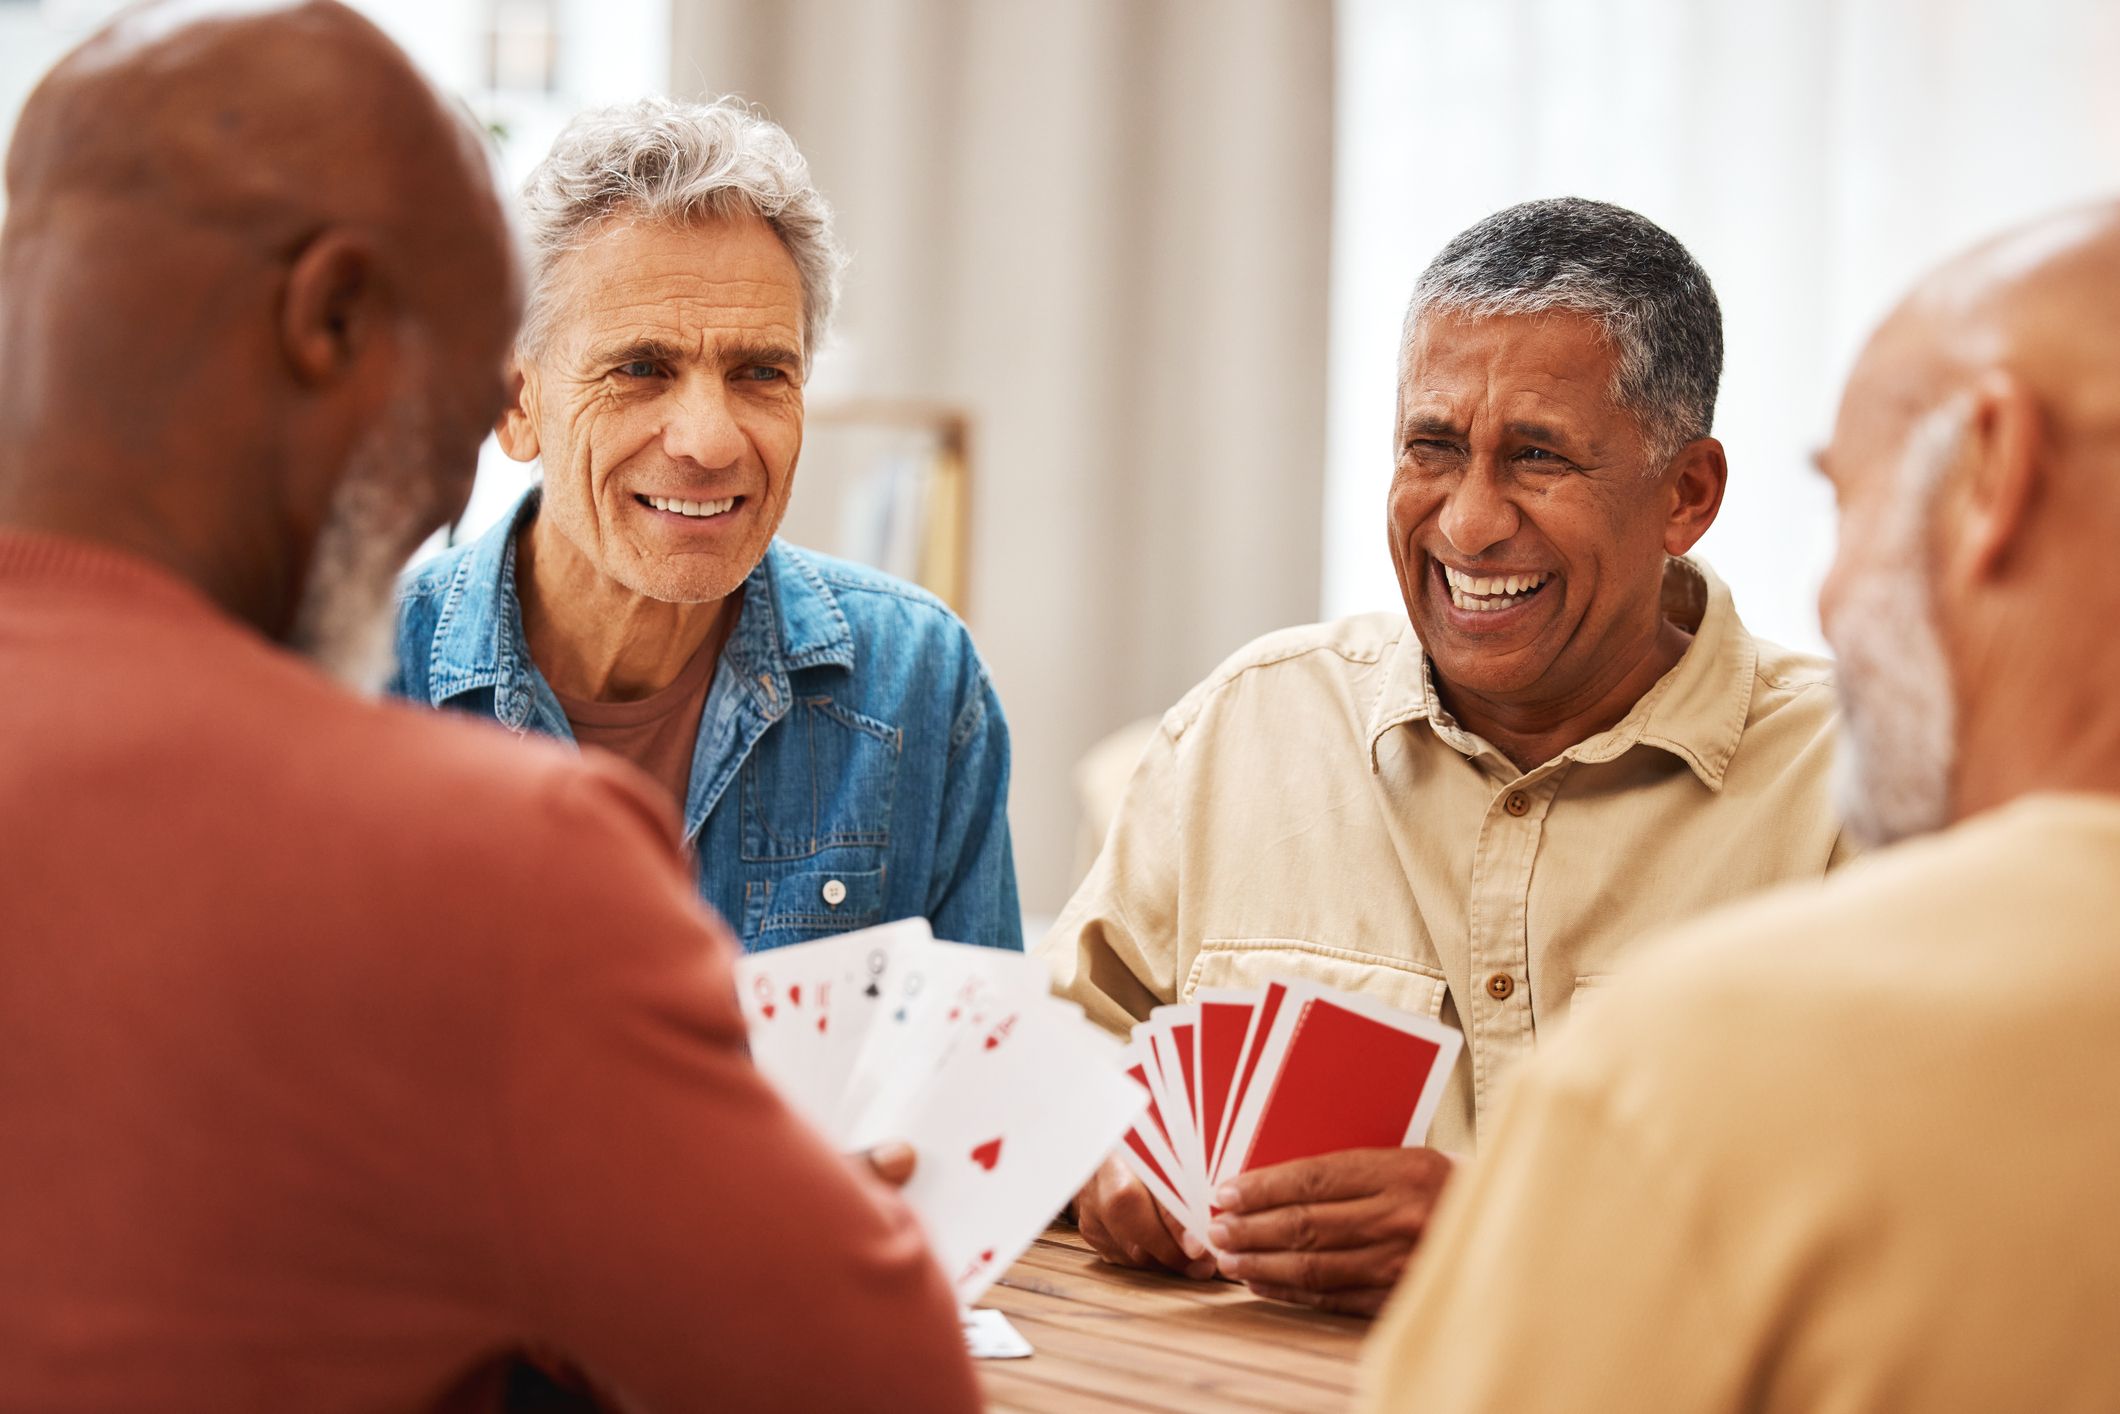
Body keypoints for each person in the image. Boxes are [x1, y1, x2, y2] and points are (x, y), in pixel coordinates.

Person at [0, 4, 980, 1408]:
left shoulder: (915, 676)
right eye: (465, 392)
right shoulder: (488, 857)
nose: (453, 488)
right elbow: (881, 1386)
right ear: (338, 325)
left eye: (760, 370)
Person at [1355, 201, 2120, 1410]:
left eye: (1849, 500)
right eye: (1431, 446)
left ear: (1994, 476)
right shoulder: (1240, 722)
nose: (1827, 590)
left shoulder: (1684, 1069)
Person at [1042, 198, 1853, 1313]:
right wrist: (1100, 1153)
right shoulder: (1246, 727)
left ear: (1686, 494)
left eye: (1535, 457)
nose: (1467, 524)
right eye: (1429, 447)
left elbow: (1936, 1229)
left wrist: (1505, 1224)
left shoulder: (1863, 791)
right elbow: (1051, 1067)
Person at [391, 97, 1020, 955]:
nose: (710, 441)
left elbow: (975, 1080)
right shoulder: (348, 688)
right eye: (642, 369)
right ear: (515, 403)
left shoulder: (918, 683)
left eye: (760, 372)